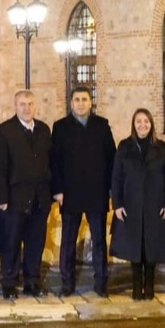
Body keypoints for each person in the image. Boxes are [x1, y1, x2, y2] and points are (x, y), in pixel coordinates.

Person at [51, 86, 117, 297]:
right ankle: (67, 283)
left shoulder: (102, 125)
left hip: (97, 192)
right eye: (77, 99)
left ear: (91, 103)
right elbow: (55, 162)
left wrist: (110, 189)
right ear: (71, 103)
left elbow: (111, 159)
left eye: (84, 99)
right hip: (70, 193)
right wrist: (58, 190)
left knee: (99, 241)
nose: (80, 103)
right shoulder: (60, 127)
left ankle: (101, 283)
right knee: (68, 240)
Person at [0, 90, 54, 299]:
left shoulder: (43, 130)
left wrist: (50, 194)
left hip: (39, 198)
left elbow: (51, 163)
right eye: (22, 104)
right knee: (11, 243)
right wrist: (1, 198)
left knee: (36, 243)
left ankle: (32, 281)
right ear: (15, 106)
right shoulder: (4, 131)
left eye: (30, 104)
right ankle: (9, 282)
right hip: (14, 199)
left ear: (36, 106)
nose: (27, 108)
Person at [110, 108, 165, 300]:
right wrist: (118, 204)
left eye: (146, 121)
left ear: (151, 124)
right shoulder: (124, 147)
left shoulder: (160, 148)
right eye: (139, 121)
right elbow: (117, 177)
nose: (142, 125)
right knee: (135, 249)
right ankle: (137, 286)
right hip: (131, 206)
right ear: (134, 124)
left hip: (155, 206)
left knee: (151, 248)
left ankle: (150, 286)